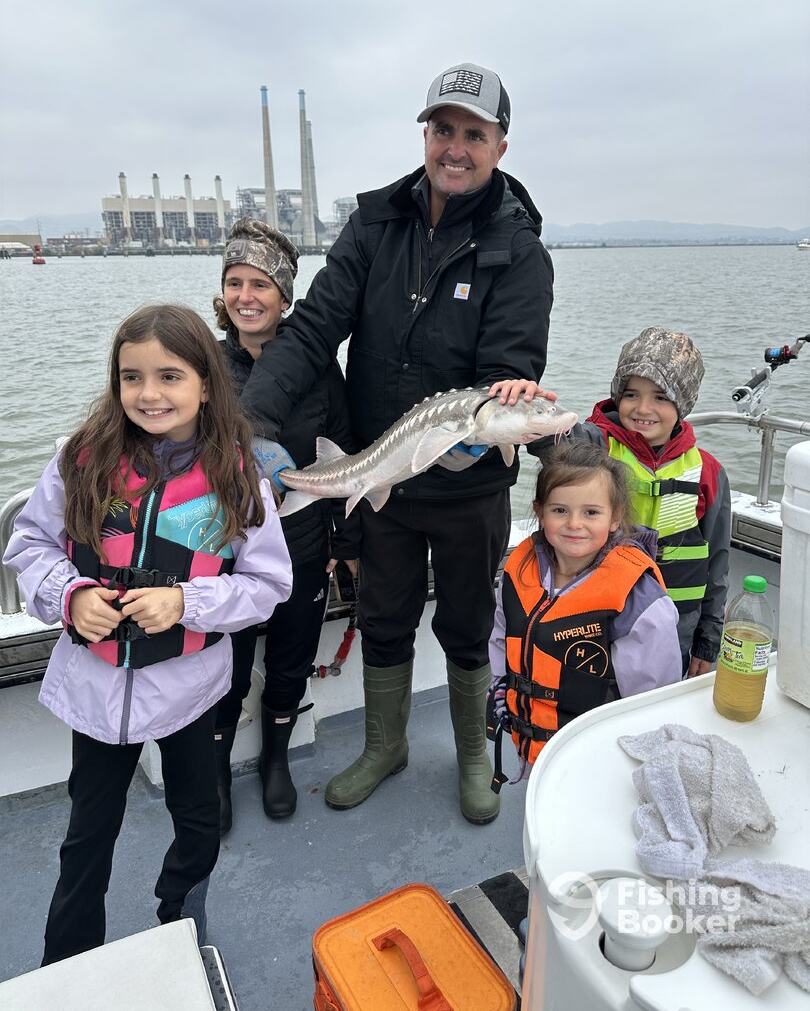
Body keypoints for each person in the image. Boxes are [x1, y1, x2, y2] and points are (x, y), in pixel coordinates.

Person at [238, 61, 555, 824]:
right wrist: (252, 424)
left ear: (500, 146)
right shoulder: (375, 224)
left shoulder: (520, 253)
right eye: (443, 129)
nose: (455, 147)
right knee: (382, 617)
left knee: (467, 625)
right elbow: (312, 330)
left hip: (469, 489)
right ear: (426, 134)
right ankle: (386, 746)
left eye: (473, 134)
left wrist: (488, 428)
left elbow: (510, 370)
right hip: (378, 478)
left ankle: (474, 753)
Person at [2, 304, 292, 965]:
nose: (149, 393)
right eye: (132, 377)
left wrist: (187, 601)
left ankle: (182, 922)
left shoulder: (237, 478)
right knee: (87, 832)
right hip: (96, 693)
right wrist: (71, 595)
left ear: (206, 385)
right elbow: (30, 544)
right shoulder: (80, 459)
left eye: (170, 376)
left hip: (190, 692)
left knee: (198, 819)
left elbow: (268, 584)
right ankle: (68, 959)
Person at [212, 218, 360, 831]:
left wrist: (345, 544)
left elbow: (346, 453)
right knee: (224, 669)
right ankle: (215, 771)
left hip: (302, 546)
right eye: (235, 282)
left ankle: (277, 758)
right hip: (223, 554)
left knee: (291, 660)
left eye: (261, 285)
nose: (246, 296)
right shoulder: (203, 365)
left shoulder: (320, 369)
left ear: (285, 297)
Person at [488, 440, 682, 785]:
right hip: (532, 745)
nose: (574, 524)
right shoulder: (519, 571)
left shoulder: (637, 598)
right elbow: (502, 637)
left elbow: (651, 698)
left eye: (591, 512)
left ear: (615, 517)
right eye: (560, 510)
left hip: (599, 757)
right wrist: (501, 686)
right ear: (539, 511)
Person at [567, 327, 731, 676]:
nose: (643, 408)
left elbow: (717, 564)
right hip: (596, 623)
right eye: (631, 394)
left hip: (676, 630)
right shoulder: (592, 448)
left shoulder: (708, 472)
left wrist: (707, 640)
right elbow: (548, 438)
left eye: (661, 397)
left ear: (683, 404)